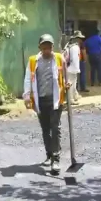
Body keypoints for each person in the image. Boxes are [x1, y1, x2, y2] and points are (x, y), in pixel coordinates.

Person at [23, 34, 68, 174]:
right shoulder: (33, 61)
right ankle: (49, 154)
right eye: (44, 47)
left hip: (56, 99)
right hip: (40, 100)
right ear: (40, 48)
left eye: (49, 47)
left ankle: (56, 158)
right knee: (45, 129)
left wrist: (68, 83)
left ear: (52, 47)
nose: (47, 49)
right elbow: (28, 80)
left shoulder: (59, 58)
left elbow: (66, 74)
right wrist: (26, 96)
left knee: (55, 128)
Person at [64, 32, 84, 104]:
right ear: (77, 39)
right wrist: (76, 69)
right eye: (80, 38)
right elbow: (74, 59)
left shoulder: (69, 45)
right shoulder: (75, 47)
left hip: (68, 68)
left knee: (73, 83)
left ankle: (75, 95)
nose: (81, 40)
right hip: (72, 68)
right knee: (71, 84)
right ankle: (70, 100)